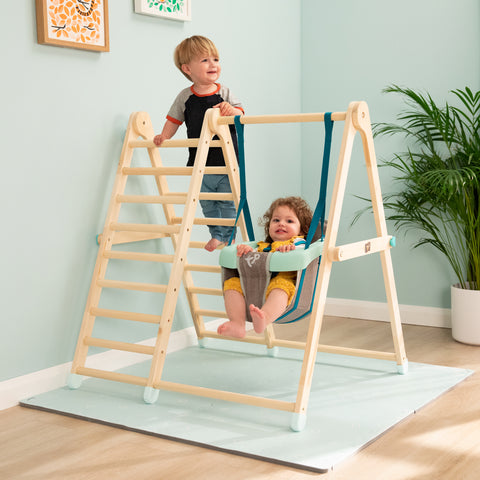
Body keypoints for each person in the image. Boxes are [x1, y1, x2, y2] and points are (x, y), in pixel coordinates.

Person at [153, 35, 244, 252]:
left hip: (225, 161)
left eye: (216, 59)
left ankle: (228, 235)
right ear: (187, 68)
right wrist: (164, 136)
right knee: (206, 202)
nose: (213, 64)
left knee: (227, 201)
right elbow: (174, 119)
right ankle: (216, 234)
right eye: (205, 60)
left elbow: (241, 113)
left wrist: (232, 111)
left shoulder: (224, 93)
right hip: (200, 162)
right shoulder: (185, 97)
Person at [218, 196, 313, 338]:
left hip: (284, 283)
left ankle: (265, 317)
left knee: (280, 287)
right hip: (256, 284)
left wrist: (291, 248)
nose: (281, 224)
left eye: (289, 221)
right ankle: (237, 323)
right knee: (231, 284)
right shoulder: (262, 246)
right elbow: (255, 257)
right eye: (276, 220)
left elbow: (302, 249)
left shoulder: (298, 242)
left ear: (301, 230)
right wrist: (246, 250)